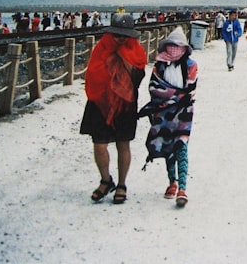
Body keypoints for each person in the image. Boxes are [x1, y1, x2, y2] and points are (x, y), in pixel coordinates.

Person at [79, 12, 147, 205]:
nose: (120, 38)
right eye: (117, 34)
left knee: (122, 144)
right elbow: (92, 74)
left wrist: (126, 64)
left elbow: (137, 80)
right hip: (100, 102)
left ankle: (122, 185)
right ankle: (106, 180)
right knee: (99, 144)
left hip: (125, 104)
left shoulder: (136, 52)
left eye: (124, 35)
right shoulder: (101, 49)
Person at [138, 27, 198, 208]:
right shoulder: (160, 65)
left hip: (183, 113)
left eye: (178, 46)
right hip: (162, 113)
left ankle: (182, 187)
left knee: (181, 145)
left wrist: (171, 97)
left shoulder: (190, 65)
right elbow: (154, 87)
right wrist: (175, 97)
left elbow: (190, 90)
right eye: (171, 45)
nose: (174, 49)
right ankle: (172, 181)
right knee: (166, 146)